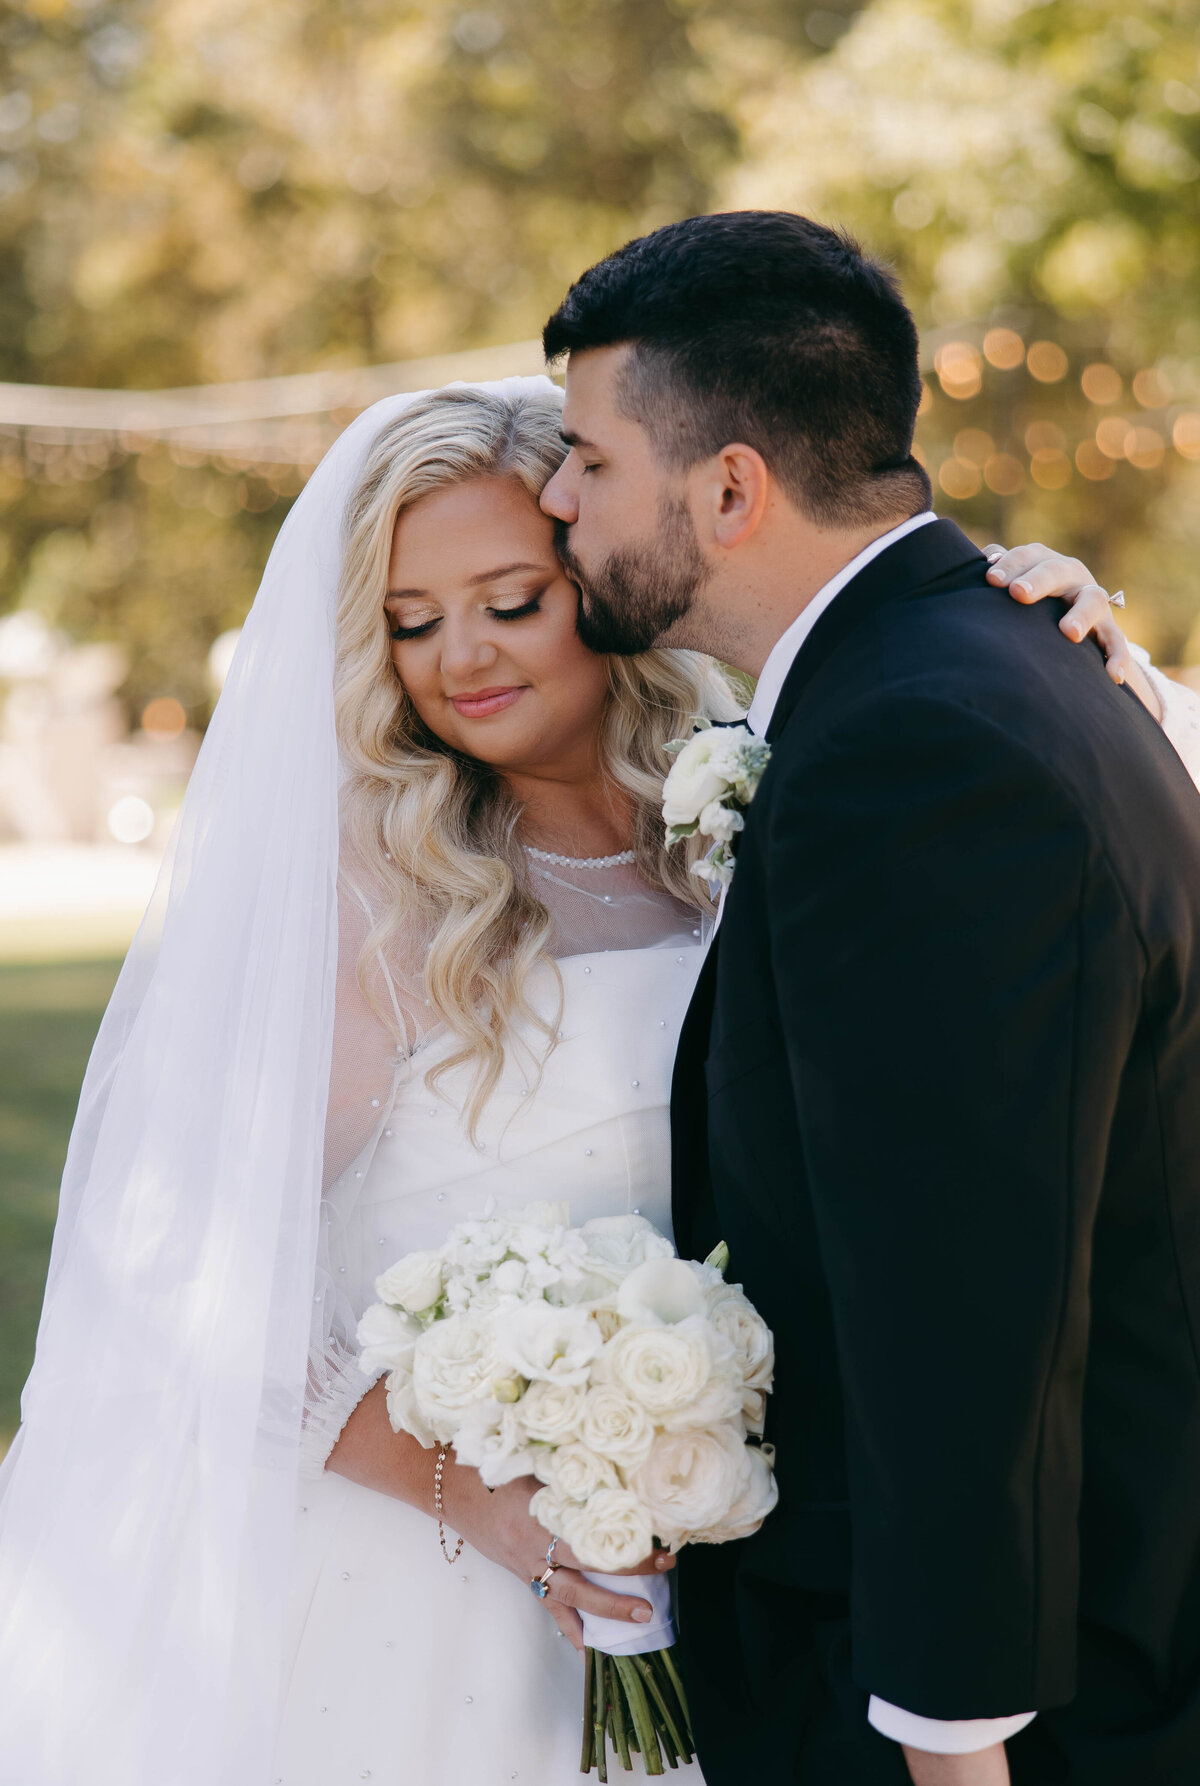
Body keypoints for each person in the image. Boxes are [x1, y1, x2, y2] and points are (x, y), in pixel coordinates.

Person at [0, 370, 1187, 1786]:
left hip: (766, 1586)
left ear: (606, 580)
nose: (462, 659)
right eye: (410, 621)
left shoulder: (768, 796)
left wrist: (1035, 634)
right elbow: (189, 1277)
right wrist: (484, 1496)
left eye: (512, 600)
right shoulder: (378, 908)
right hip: (457, 1609)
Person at [539, 209, 1200, 1786]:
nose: (556, 497)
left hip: (1002, 1706)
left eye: (587, 460)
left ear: (729, 487)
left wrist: (948, 1733)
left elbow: (962, 1298)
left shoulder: (914, 751)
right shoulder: (984, 660)